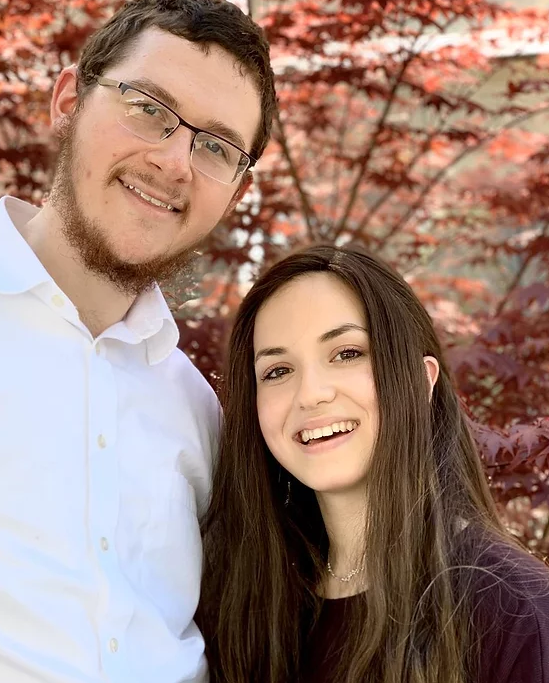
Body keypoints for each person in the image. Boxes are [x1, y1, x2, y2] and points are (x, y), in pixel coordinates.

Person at [0, 0, 277, 683]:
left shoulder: (198, 411)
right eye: (148, 109)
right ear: (68, 99)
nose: (174, 161)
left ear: (237, 190)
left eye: (216, 146)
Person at [197, 244, 549, 683]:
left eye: (347, 354)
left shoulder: (517, 612)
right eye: (277, 371)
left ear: (422, 381)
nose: (311, 394)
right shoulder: (250, 603)